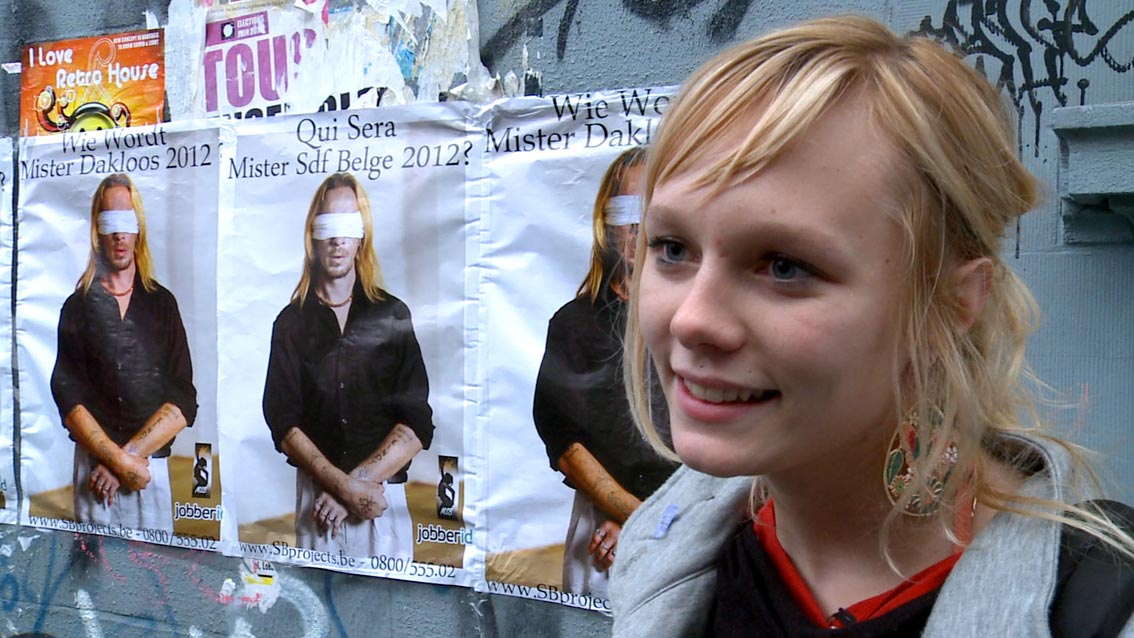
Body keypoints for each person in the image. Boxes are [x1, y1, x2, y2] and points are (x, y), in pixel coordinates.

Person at [611, 16, 1134, 637]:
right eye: (672, 248)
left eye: (784, 266)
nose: (693, 319)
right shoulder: (660, 553)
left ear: (952, 303)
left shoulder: (1100, 604)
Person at [263, 172, 433, 560]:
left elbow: (417, 421)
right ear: (313, 234)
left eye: (348, 226)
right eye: (329, 225)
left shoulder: (393, 315)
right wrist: (343, 487)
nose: (338, 240)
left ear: (362, 235)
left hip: (381, 503)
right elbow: (283, 421)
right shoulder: (289, 324)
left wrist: (353, 487)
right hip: (317, 510)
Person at [533, 147, 676, 599]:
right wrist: (629, 514)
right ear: (605, 220)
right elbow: (564, 439)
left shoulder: (694, 316)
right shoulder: (573, 324)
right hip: (600, 536)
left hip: (688, 517)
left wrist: (650, 520)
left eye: (647, 208)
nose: (636, 226)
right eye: (625, 211)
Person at [51, 173, 197, 532]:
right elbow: (69, 398)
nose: (119, 234)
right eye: (109, 222)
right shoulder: (77, 307)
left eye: (126, 221)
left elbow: (183, 398)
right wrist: (116, 461)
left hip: (149, 474)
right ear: (97, 230)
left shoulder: (162, 304)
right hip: (93, 480)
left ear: (138, 227)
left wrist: (126, 461)